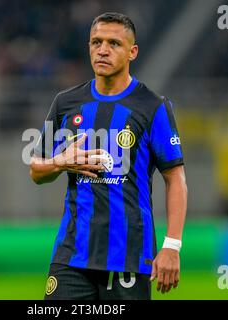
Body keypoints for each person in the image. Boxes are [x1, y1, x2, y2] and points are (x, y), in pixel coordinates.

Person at [30, 12, 187, 300]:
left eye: (114, 43)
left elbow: (175, 178)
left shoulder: (153, 107)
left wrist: (171, 246)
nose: (102, 50)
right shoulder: (66, 103)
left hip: (128, 257)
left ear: (132, 52)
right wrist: (60, 162)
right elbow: (36, 170)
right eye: (96, 42)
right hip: (71, 256)